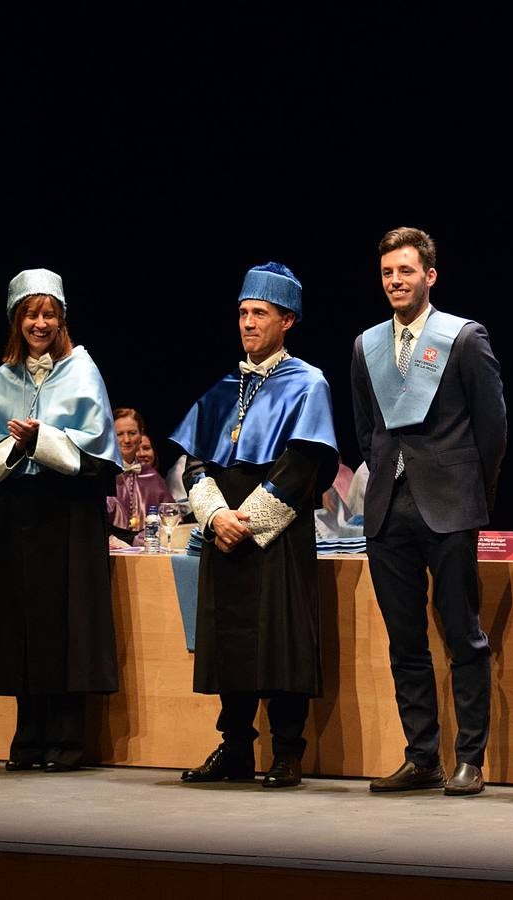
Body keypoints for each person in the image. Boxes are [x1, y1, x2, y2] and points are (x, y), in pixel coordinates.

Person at [170, 262, 337, 789]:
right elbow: (194, 463)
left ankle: (287, 752)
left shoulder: (307, 383)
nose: (247, 323)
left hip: (277, 533)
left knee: (281, 639)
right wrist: (216, 516)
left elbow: (304, 463)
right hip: (226, 530)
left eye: (258, 313)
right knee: (232, 640)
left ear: (286, 320)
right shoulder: (223, 388)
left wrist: (251, 521)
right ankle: (236, 746)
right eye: (242, 313)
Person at [352, 227, 506, 797]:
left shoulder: (463, 338)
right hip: (388, 509)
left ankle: (470, 758)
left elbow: (493, 430)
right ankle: (422, 757)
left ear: (429, 276)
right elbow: (366, 429)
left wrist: (469, 493)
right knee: (405, 640)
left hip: (450, 507)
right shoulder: (366, 345)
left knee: (462, 635)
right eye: (388, 272)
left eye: (406, 272)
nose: (396, 281)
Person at [0, 268, 122, 771]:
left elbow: (98, 455)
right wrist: (18, 446)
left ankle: (66, 738)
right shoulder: (1, 378)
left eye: (49, 313)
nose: (40, 322)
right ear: (16, 319)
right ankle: (26, 734)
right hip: (18, 516)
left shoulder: (82, 371)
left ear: (62, 318)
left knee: (66, 621)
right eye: (31, 313)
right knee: (21, 622)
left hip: (69, 513)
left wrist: (41, 440)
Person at [107, 408, 173, 543]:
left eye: (132, 433)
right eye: (119, 434)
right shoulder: (102, 474)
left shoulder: (153, 477)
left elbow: (171, 516)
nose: (126, 440)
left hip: (147, 548)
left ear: (141, 435)